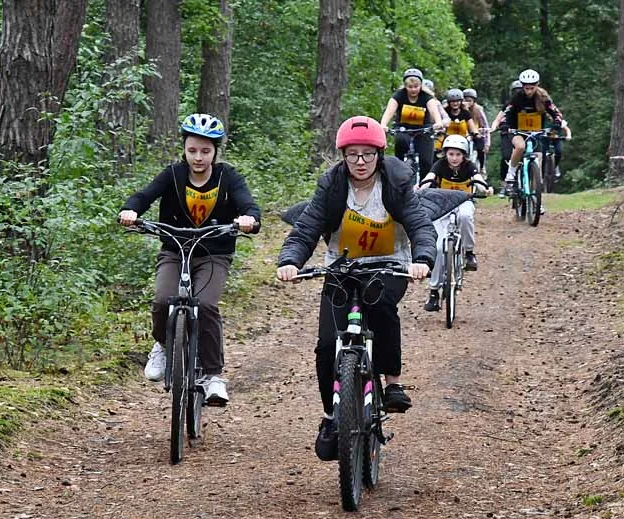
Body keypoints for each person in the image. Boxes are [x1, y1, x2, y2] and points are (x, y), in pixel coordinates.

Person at [276, 116, 436, 461]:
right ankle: (333, 416)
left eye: (367, 154)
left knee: (380, 307)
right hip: (342, 265)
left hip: (390, 264)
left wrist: (422, 257)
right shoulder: (332, 185)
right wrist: (290, 260)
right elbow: (307, 227)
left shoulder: (396, 182)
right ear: (343, 156)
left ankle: (392, 383)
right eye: (352, 155)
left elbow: (420, 222)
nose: (360, 162)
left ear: (379, 153)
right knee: (325, 346)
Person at [118, 113, 261, 406]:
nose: (198, 157)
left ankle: (213, 376)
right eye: (192, 150)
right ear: (184, 149)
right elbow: (144, 196)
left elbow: (248, 203)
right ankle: (161, 344)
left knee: (206, 305)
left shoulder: (228, 177)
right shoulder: (172, 175)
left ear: (215, 152)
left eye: (206, 151)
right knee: (162, 300)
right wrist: (130, 211)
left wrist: (249, 218)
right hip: (174, 250)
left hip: (214, 254)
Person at [417, 135, 492, 311]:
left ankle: (469, 252)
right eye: (451, 154)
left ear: (464, 155)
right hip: (442, 205)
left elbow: (478, 179)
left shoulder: (469, 166)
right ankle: (434, 291)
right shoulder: (440, 165)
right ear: (446, 154)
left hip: (463, 202)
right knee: (436, 248)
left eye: (458, 154)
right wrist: (421, 188)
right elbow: (430, 177)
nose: (454, 158)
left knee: (466, 217)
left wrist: (485, 188)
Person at [501, 69, 563, 197]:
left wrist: (557, 123)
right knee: (520, 146)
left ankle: (536, 196)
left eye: (532, 88)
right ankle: (511, 175)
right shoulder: (517, 97)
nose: (529, 91)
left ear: (537, 85)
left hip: (536, 132)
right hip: (517, 130)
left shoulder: (543, 97)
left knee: (539, 159)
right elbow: (507, 111)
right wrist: (505, 124)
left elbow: (555, 112)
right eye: (526, 88)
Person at [379, 68, 444, 178]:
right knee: (400, 144)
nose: (413, 90)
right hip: (403, 128)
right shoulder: (399, 95)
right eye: (410, 87)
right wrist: (383, 125)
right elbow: (389, 110)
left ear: (421, 85)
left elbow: (434, 111)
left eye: (416, 87)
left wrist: (438, 122)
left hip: (423, 129)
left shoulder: (427, 97)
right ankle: (399, 178)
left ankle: (425, 186)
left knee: (426, 161)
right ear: (405, 86)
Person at [490, 80, 523, 194]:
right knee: (506, 157)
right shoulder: (509, 104)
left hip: (524, 132)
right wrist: (493, 127)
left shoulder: (530, 104)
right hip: (507, 132)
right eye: (515, 91)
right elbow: (498, 118)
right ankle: (505, 183)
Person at [462, 88, 490, 176]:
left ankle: (482, 167)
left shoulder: (478, 110)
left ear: (474, 101)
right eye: (465, 100)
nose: (467, 103)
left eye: (469, 101)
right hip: (463, 133)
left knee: (480, 148)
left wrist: (487, 143)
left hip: (476, 133)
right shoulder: (460, 109)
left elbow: (485, 125)